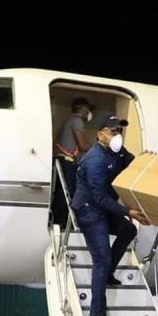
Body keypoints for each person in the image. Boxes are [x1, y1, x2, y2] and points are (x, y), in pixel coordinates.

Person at [71, 115, 149, 316]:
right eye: (113, 131)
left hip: (104, 208)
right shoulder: (94, 160)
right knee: (101, 258)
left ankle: (107, 273)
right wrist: (127, 210)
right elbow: (98, 197)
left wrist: (146, 161)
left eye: (119, 131)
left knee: (128, 229)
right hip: (90, 210)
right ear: (100, 134)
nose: (117, 135)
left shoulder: (118, 152)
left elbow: (133, 163)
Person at [52, 97, 93, 227]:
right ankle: (62, 223)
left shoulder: (69, 121)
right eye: (88, 109)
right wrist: (100, 147)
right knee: (67, 193)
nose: (89, 112)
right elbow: (82, 145)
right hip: (66, 162)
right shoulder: (77, 121)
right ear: (83, 109)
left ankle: (58, 221)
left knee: (62, 192)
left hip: (62, 161)